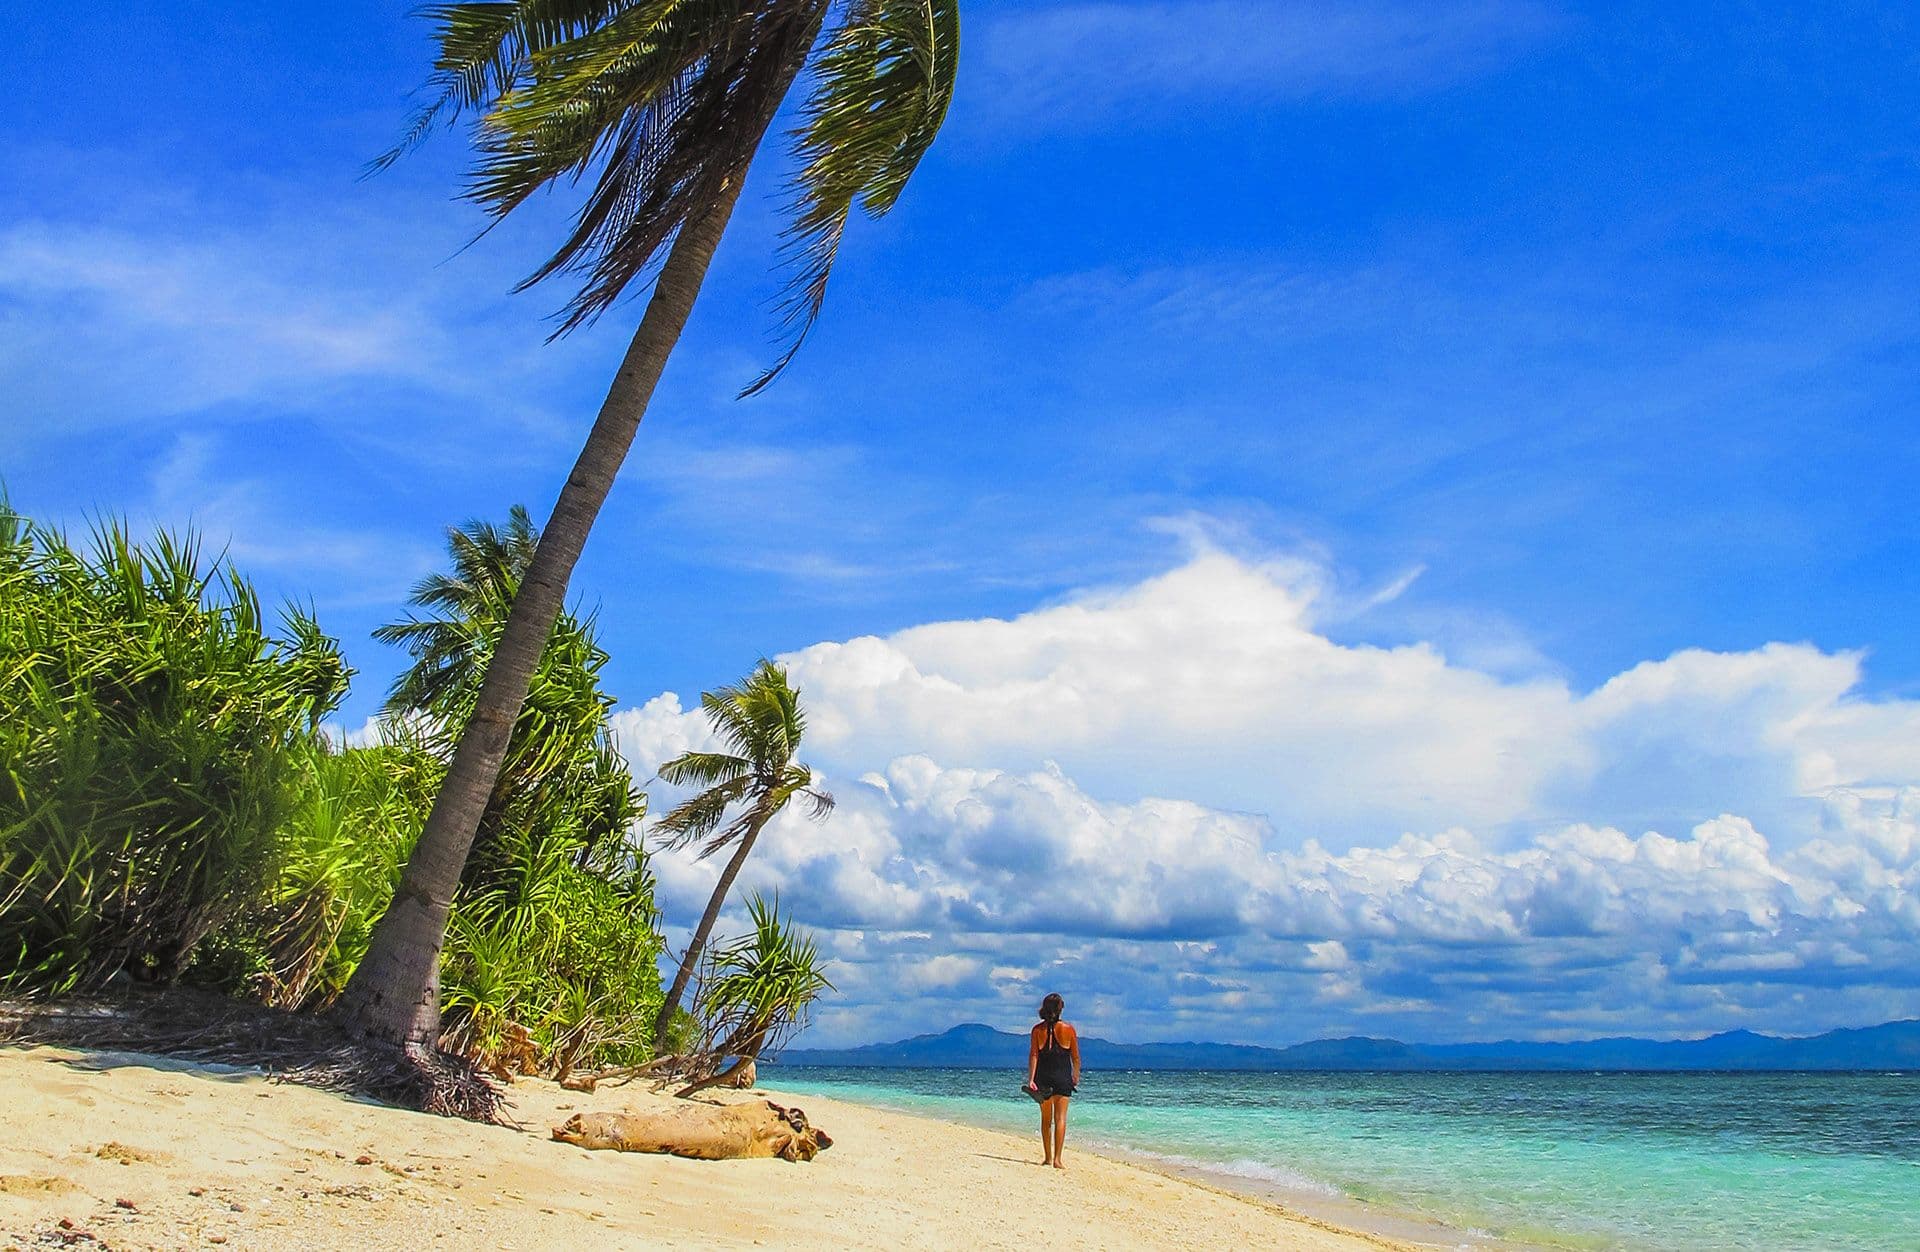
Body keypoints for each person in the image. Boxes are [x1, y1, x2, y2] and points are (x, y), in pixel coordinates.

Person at [1024, 993, 1081, 1169]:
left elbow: (1034, 1055)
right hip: (1063, 1078)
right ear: (1060, 1008)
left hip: (1043, 1078)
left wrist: (1031, 1079)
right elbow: (1075, 1057)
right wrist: (1075, 1076)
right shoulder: (1069, 1029)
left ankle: (1048, 1158)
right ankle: (1057, 1159)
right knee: (1061, 1118)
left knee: (1046, 1119)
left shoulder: (1037, 1030)